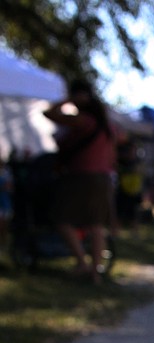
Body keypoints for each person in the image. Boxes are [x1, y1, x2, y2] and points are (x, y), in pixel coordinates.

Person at [43, 80, 116, 280]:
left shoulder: (84, 121)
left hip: (82, 177)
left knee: (61, 219)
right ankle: (96, 272)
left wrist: (67, 100)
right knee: (96, 225)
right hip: (103, 178)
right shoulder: (107, 127)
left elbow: (48, 114)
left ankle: (83, 263)